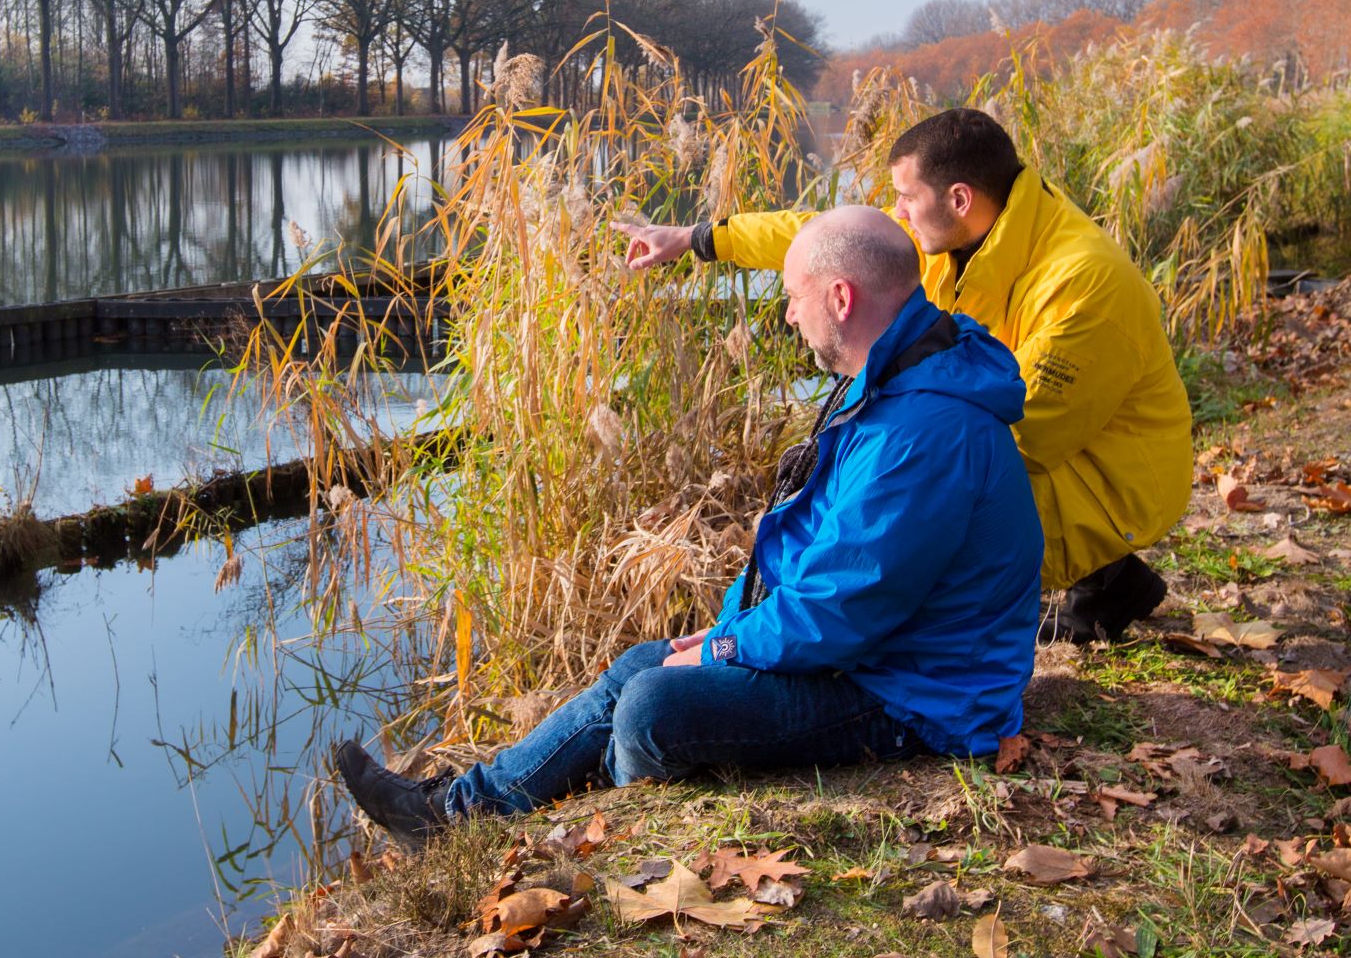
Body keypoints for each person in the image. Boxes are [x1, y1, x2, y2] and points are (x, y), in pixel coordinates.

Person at [330, 206, 1043, 842]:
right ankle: (453, 811)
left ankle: (615, 821)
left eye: (794, 297)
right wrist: (725, 634)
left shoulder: (920, 430)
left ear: (839, 297)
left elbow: (841, 609)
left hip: (920, 700)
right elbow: (807, 551)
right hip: (884, 658)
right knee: (643, 662)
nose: (789, 315)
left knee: (652, 706)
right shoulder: (895, 382)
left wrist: (725, 649)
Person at [613, 108, 1192, 643]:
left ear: (959, 198)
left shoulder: (1083, 285)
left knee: (916, 511)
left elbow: (1021, 441)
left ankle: (1069, 579)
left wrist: (881, 469)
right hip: (1060, 446)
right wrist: (697, 239)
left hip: (1113, 479)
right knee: (897, 464)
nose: (897, 212)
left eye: (905, 198)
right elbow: (831, 239)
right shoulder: (962, 228)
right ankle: (1112, 582)